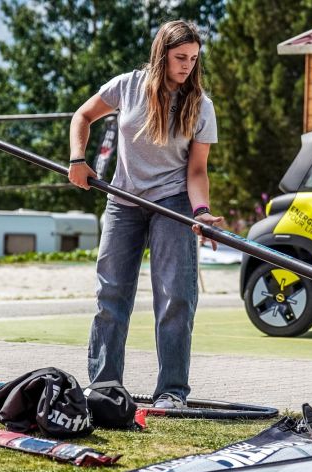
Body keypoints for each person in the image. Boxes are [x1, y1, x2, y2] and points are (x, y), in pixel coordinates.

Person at [67, 20, 223, 409]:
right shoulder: (128, 86)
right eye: (179, 57)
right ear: (162, 54)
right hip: (123, 200)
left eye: (193, 59)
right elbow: (82, 116)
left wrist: (201, 213)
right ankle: (104, 388)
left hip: (172, 203)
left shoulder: (201, 105)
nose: (187, 65)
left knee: (175, 297)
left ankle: (172, 393)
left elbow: (197, 170)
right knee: (111, 293)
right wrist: (77, 160)